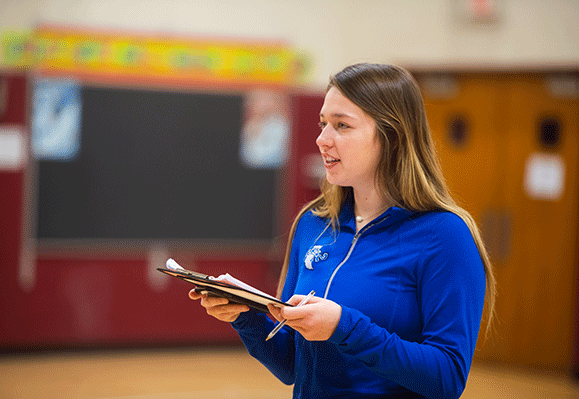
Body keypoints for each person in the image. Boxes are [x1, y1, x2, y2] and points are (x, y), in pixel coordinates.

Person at [189, 63, 496, 399]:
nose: (322, 139)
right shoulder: (313, 223)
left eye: (341, 125)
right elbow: (291, 365)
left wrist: (345, 327)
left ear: (391, 136)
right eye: (323, 124)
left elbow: (447, 379)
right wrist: (245, 314)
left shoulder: (445, 236)